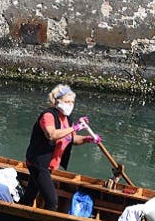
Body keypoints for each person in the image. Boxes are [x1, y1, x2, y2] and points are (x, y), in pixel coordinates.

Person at [19, 84, 102, 212]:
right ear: (57, 101)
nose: (70, 105)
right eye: (67, 101)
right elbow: (52, 135)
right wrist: (75, 128)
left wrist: (88, 139)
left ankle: (20, 211)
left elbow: (72, 138)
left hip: (50, 164)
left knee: (30, 194)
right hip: (38, 163)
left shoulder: (68, 119)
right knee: (52, 201)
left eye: (72, 102)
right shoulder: (48, 116)